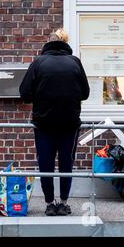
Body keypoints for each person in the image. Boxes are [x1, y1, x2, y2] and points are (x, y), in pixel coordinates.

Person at [19, 28, 90, 216]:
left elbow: (24, 93)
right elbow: (86, 93)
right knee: (67, 163)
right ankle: (64, 203)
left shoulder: (39, 62)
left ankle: (50, 203)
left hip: (44, 124)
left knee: (46, 164)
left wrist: (41, 96)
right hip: (70, 124)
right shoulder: (75, 62)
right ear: (65, 43)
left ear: (48, 43)